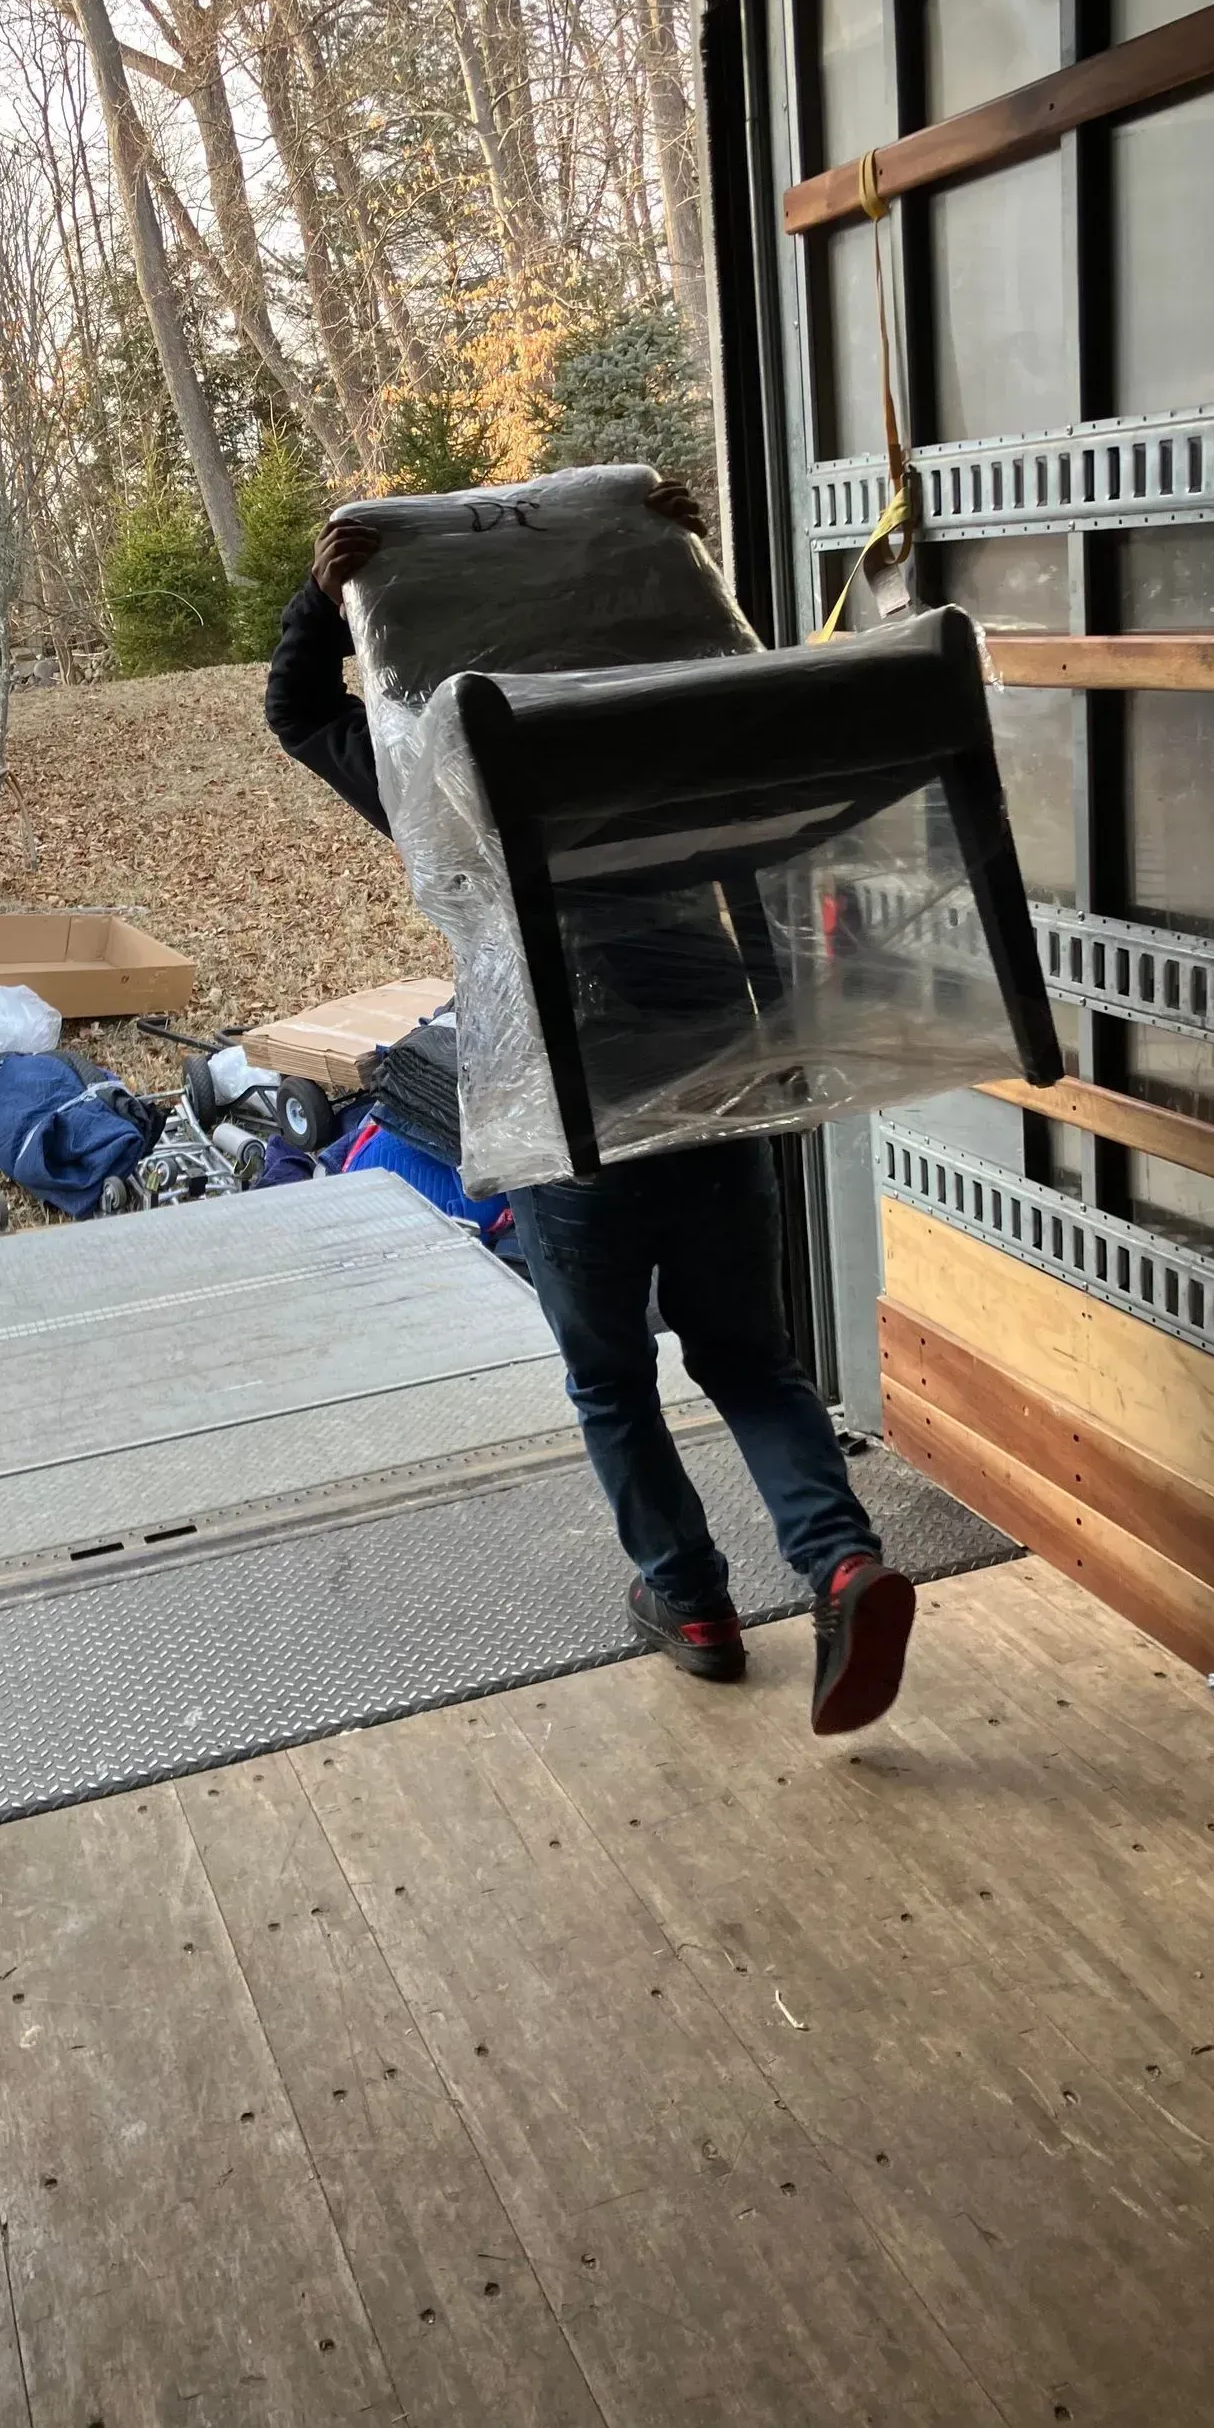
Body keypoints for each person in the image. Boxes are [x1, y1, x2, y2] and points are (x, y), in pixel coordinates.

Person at [265, 478, 916, 1736]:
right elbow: (740, 680)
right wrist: (680, 551)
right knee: (746, 1352)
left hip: (558, 1086)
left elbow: (300, 711)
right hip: (717, 1051)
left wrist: (319, 592)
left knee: (612, 1378)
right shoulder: (674, 732)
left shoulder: (438, 766)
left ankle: (693, 1604)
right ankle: (838, 1561)